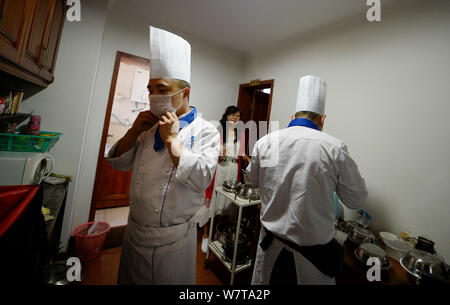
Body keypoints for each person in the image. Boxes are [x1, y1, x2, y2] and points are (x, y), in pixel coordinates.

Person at [106, 26, 220, 284]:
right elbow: (119, 162)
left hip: (173, 241)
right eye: (150, 89)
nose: (154, 96)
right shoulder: (147, 126)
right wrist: (134, 131)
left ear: (185, 93)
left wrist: (172, 142)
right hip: (134, 233)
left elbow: (202, 178)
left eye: (162, 89)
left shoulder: (207, 131)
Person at [246, 75, 368, 285]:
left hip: (270, 248)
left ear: (292, 116)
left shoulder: (266, 142)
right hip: (313, 260)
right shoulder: (334, 148)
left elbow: (251, 180)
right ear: (322, 119)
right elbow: (356, 200)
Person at [195, 106, 251, 253]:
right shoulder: (218, 130)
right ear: (226, 116)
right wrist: (219, 149)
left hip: (233, 169)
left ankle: (219, 235)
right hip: (220, 168)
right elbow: (209, 148)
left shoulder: (240, 133)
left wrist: (247, 158)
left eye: (238, 116)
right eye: (233, 115)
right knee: (214, 201)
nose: (235, 118)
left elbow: (240, 151)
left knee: (226, 204)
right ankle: (206, 235)